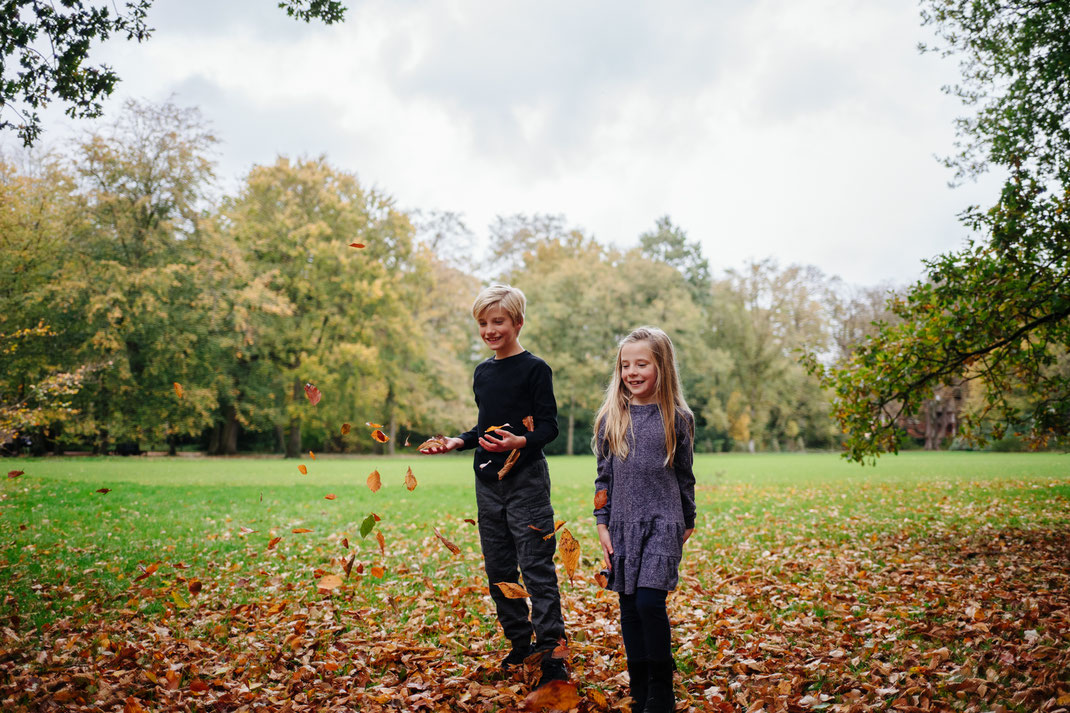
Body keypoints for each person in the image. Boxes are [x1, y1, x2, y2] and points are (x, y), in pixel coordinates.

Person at [421, 284, 568, 688]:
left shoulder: (536, 369)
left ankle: (551, 652)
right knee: (500, 568)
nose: (490, 329)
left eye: (498, 321)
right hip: (487, 481)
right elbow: (483, 426)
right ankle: (520, 644)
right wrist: (458, 441)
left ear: (517, 322)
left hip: (526, 479)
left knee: (536, 566)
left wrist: (519, 441)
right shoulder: (483, 372)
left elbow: (549, 426)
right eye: (483, 323)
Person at [592, 326, 696, 713]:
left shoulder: (678, 418)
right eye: (625, 365)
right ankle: (639, 685)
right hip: (621, 525)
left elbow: (685, 474)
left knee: (651, 602)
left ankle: (661, 686)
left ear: (661, 367)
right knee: (630, 605)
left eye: (642, 364)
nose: (632, 372)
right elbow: (603, 478)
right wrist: (601, 523)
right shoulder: (611, 418)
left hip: (664, 522)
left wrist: (688, 517)